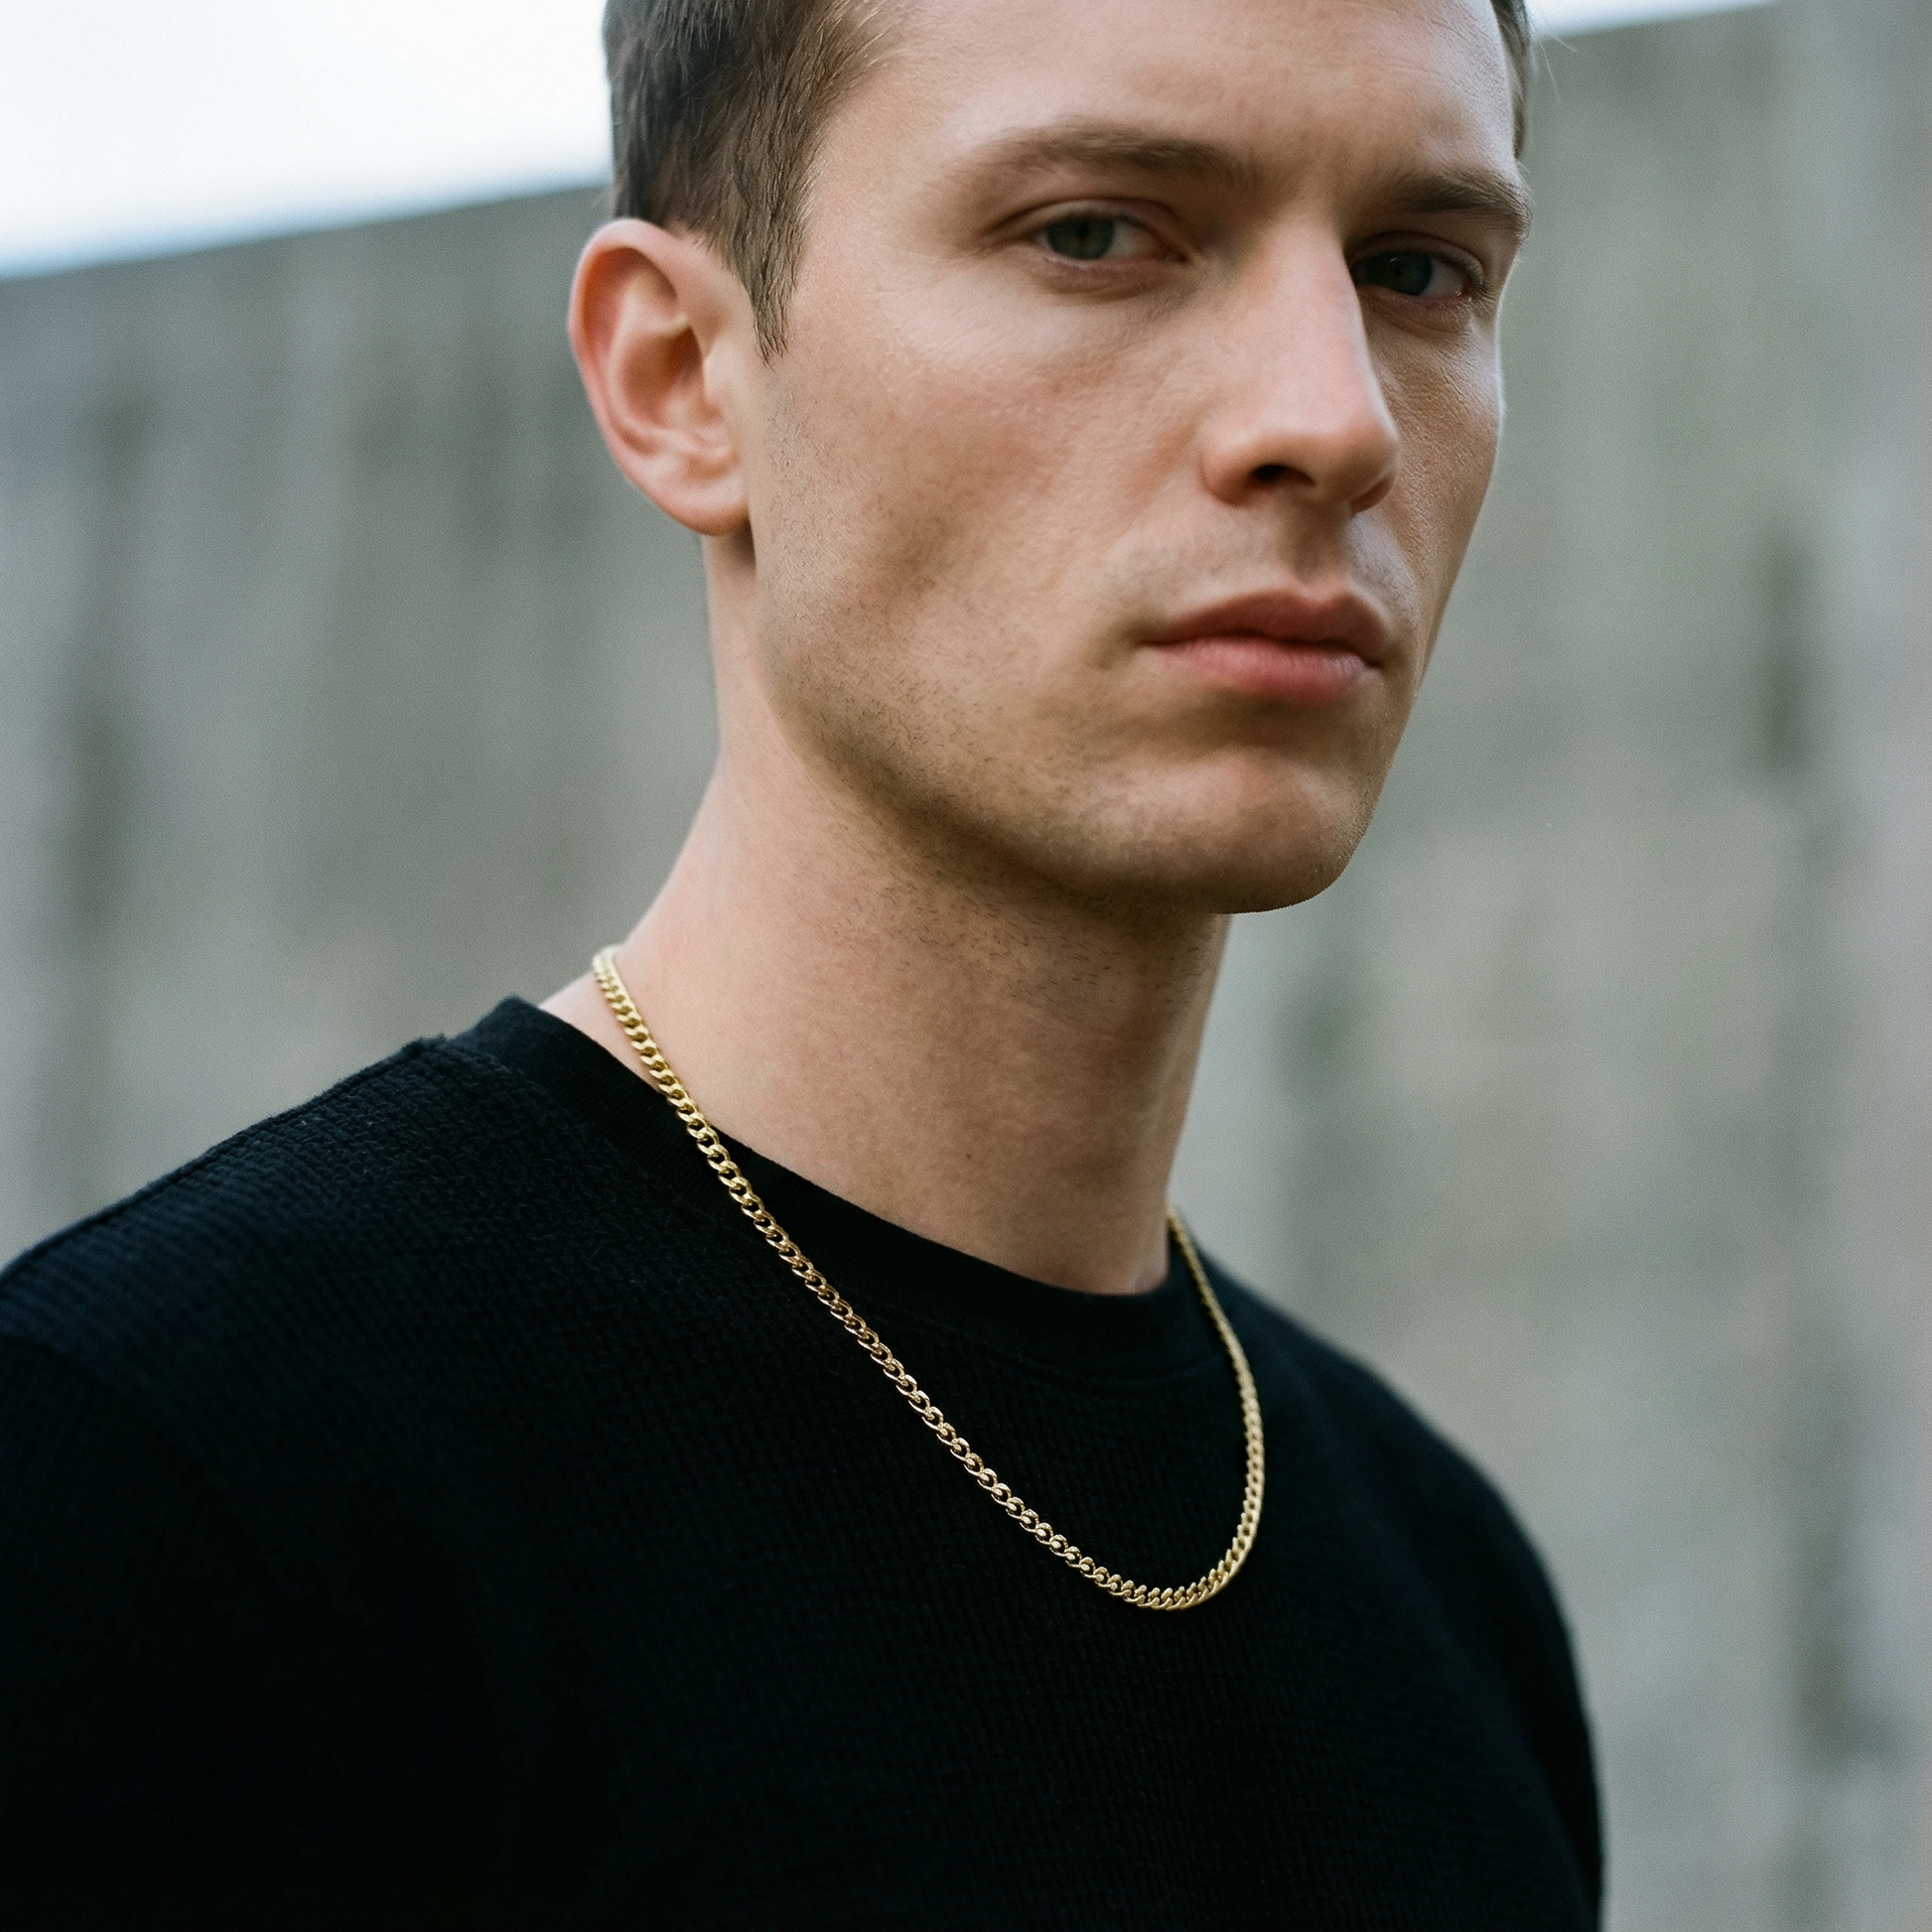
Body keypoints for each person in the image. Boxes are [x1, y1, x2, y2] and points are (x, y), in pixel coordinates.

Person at [0, 0, 1601, 1922]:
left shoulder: (1444, 1592)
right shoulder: (155, 1494)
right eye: (1098, 232)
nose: (1331, 418)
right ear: (681, 373)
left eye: (1419, 267)